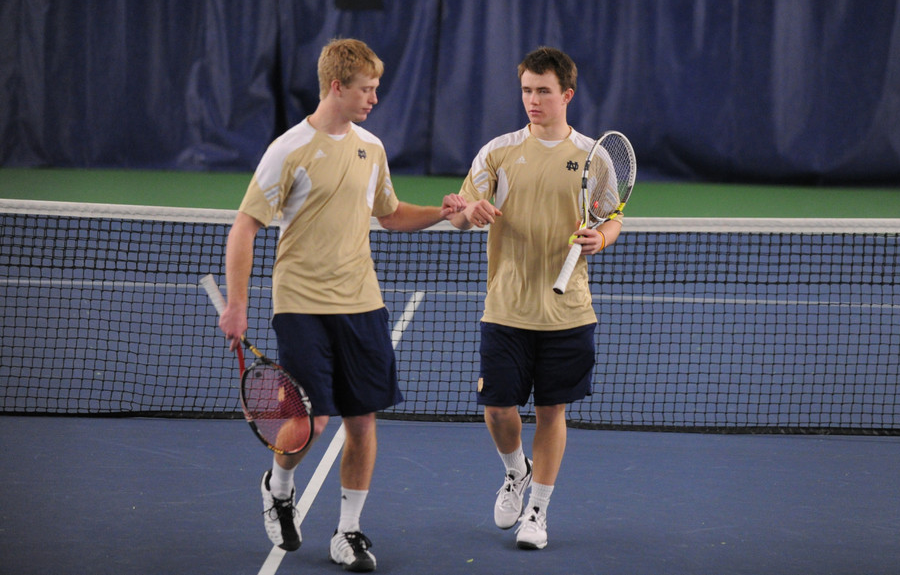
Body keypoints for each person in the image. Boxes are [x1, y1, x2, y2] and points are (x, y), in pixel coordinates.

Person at [216, 38, 466, 572]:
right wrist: (237, 304)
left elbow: (391, 214)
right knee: (313, 419)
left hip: (362, 303)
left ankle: (348, 533)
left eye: (376, 88)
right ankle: (278, 484)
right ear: (337, 86)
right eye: (366, 89)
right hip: (301, 303)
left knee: (363, 421)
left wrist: (444, 213)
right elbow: (245, 226)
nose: (374, 98)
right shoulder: (288, 149)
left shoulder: (371, 148)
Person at [449, 46, 622, 550]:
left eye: (543, 91)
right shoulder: (497, 152)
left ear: (566, 94)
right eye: (526, 90)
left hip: (568, 310)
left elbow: (611, 217)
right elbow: (460, 214)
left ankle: (539, 513)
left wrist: (602, 238)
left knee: (552, 412)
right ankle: (514, 471)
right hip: (506, 306)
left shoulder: (595, 157)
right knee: (498, 409)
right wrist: (468, 211)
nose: (533, 100)